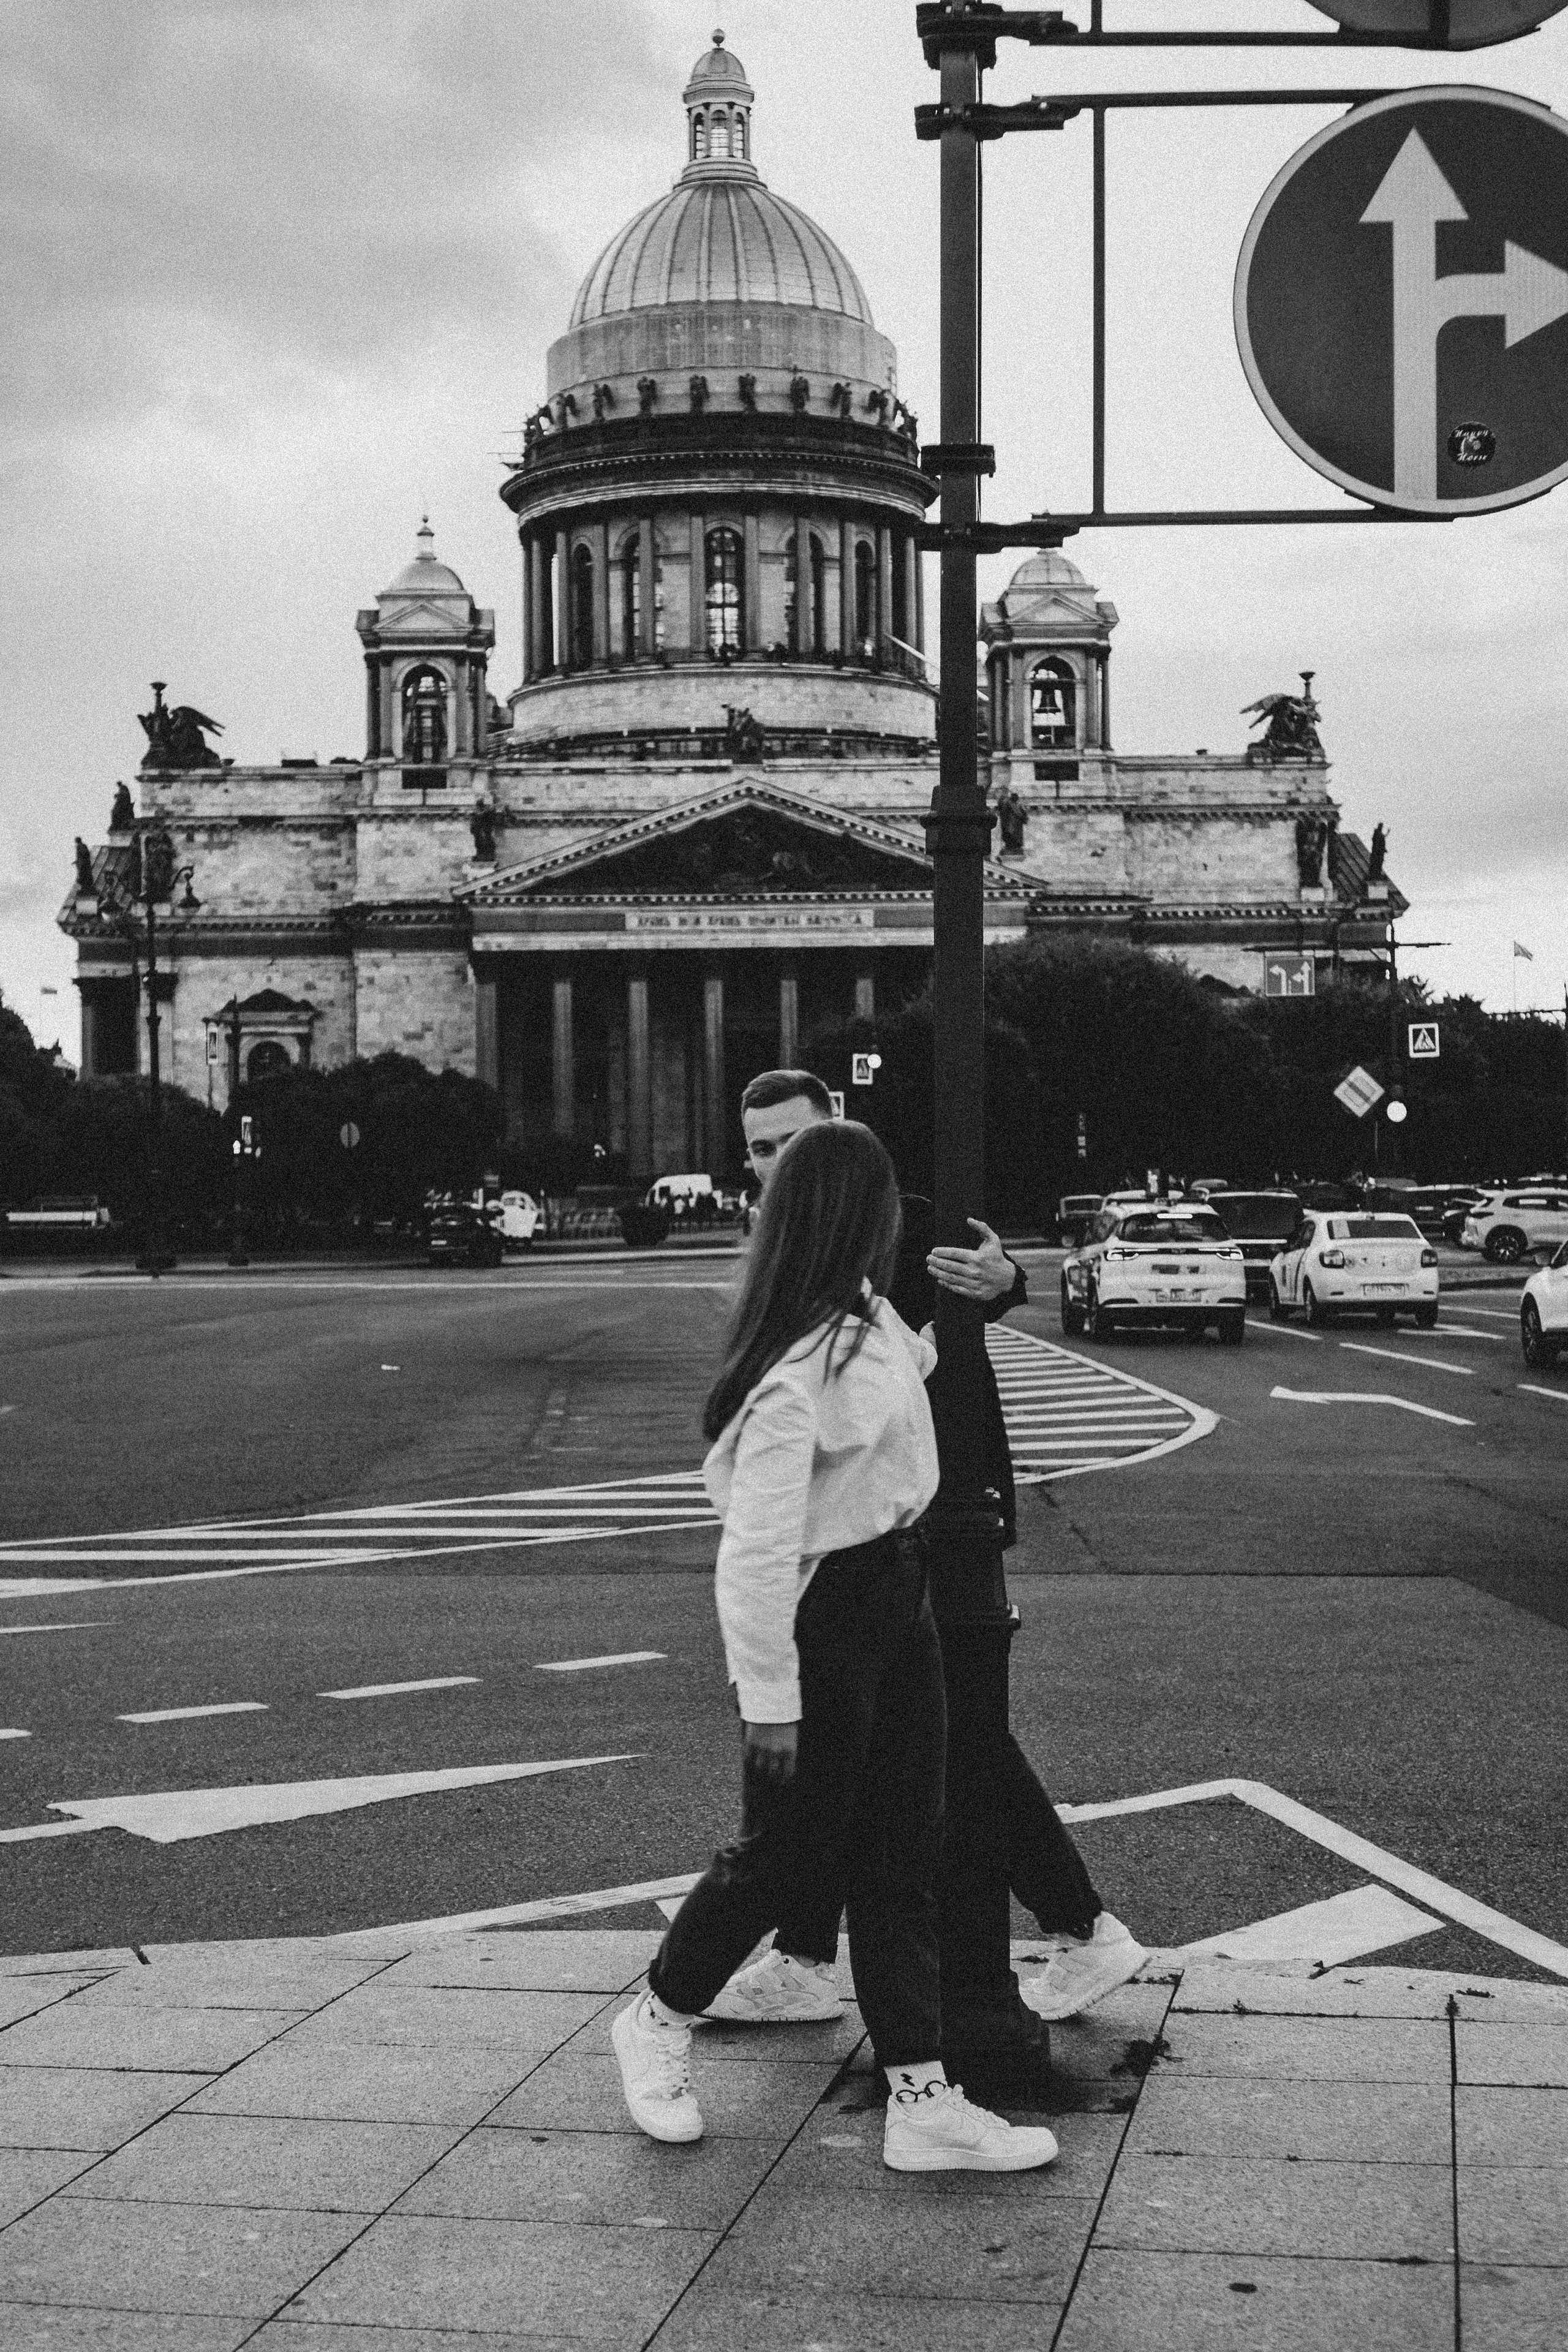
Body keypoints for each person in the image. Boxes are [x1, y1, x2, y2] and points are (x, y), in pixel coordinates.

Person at [610, 1119, 1059, 2174]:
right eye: (889, 1201)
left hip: (897, 1594)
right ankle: (658, 2019)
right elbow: (755, 1551)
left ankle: (922, 2097)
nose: (901, 1220)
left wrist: (997, 1289)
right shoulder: (793, 1369)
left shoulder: (868, 1320)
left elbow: (935, 1356)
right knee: (791, 1854)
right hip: (825, 1615)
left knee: (906, 1850)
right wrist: (767, 1694)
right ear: (853, 1217)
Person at [703, 1069, 1146, 2030]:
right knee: (872, 1745)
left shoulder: (883, 1220)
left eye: (793, 1143)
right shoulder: (805, 1238)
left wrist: (1008, 1283)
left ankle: (1082, 1924)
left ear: (838, 1136)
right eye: (759, 1148)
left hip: (926, 1518)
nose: (775, 1164)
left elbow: (972, 1283)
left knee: (953, 1737)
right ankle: (810, 1956)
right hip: (880, 1526)